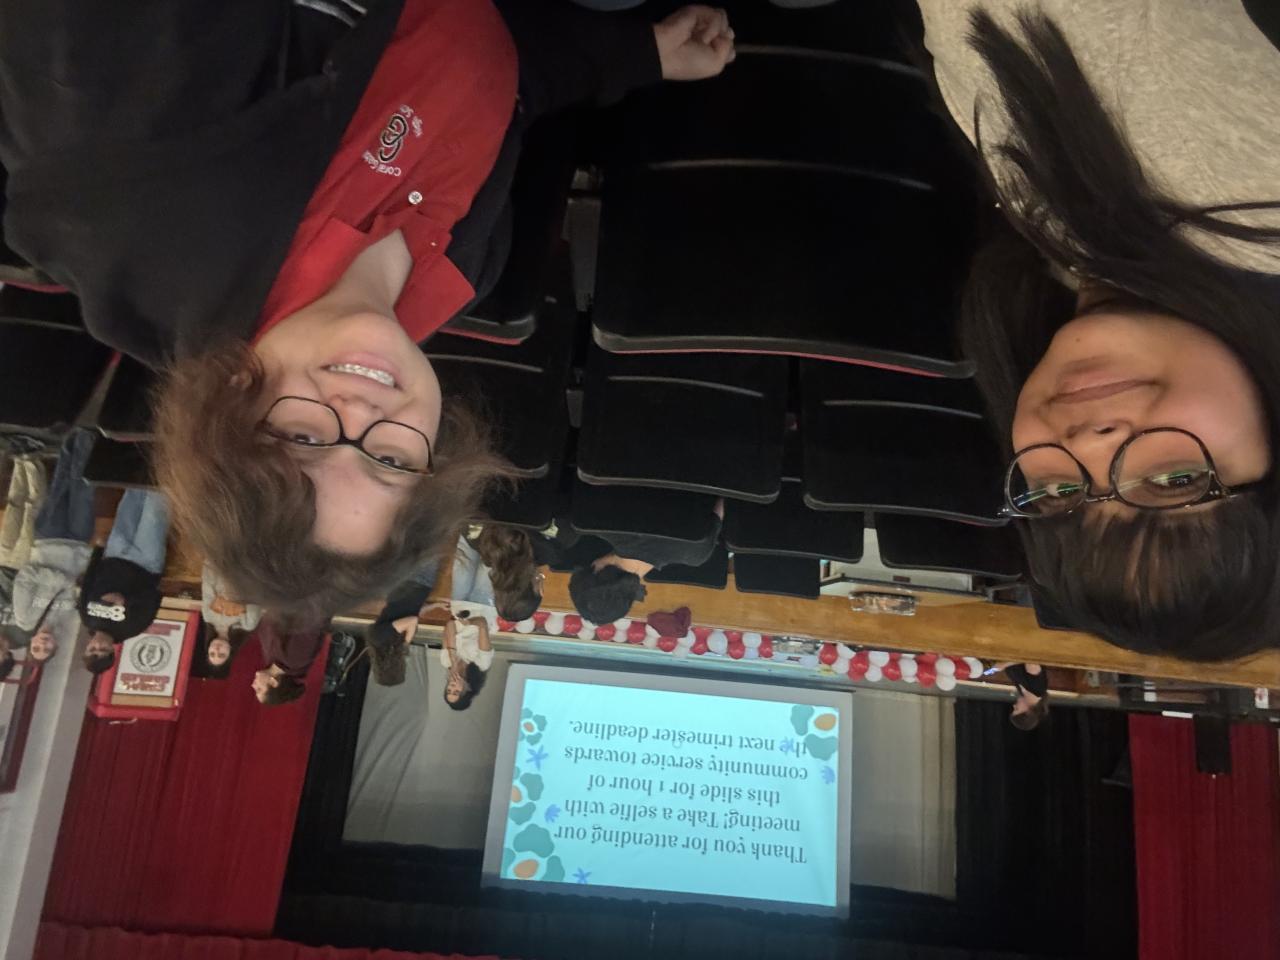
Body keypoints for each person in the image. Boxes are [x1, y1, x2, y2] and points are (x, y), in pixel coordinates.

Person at [1, 0, 736, 626]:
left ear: (228, 408)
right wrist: (636, 55)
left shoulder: (138, 182)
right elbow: (498, 87)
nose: (360, 412)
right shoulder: (460, 277)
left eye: (302, 438)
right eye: (390, 460)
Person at [917, 1, 1280, 659]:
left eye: (1059, 493)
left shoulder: (1055, 233)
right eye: (1175, 481)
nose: (1089, 442)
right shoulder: (1254, 175)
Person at [12, 430, 96, 669]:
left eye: (36, 648)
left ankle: (70, 440)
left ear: (31, 643)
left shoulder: (24, 618)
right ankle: (87, 439)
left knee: (60, 486)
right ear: (56, 645)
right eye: (47, 649)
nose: (43, 644)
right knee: (84, 491)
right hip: (78, 544)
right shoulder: (68, 619)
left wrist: (61, 580)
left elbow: (26, 576)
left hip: (48, 540)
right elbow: (80, 588)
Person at [568, 500, 723, 624]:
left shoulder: (695, 554)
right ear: (596, 569)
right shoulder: (598, 520)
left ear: (631, 593)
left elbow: (723, 497)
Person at [76, 489, 171, 674]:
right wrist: (126, 601)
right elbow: (155, 595)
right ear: (112, 650)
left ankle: (141, 470)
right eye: (103, 650)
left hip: (114, 554)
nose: (98, 645)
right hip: (145, 562)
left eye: (93, 649)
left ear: (87, 646)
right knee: (155, 507)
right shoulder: (133, 628)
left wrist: (97, 553)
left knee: (131, 498)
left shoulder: (86, 618)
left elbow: (87, 583)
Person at [197, 562, 263, 679]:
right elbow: (255, 593)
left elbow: (207, 586)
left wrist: (212, 562)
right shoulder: (248, 625)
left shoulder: (208, 617)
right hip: (248, 568)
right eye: (221, 654)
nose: (217, 649)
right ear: (230, 652)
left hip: (220, 565)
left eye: (212, 653)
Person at [252, 619, 326, 707]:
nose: (253, 685)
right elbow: (311, 620)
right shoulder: (295, 659)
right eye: (259, 689)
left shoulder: (271, 659)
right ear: (273, 682)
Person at [441, 606, 493, 710]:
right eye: (456, 691)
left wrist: (453, 660)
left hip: (459, 610)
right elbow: (482, 623)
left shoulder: (446, 662)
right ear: (467, 690)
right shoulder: (482, 664)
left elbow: (450, 624)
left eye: (449, 690)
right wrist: (468, 622)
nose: (452, 686)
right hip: (481, 611)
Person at [1003, 662, 1049, 731]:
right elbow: (1029, 658)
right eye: (1016, 709)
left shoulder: (1022, 692)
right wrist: (1003, 665)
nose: (1014, 705)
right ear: (1028, 712)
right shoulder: (1038, 687)